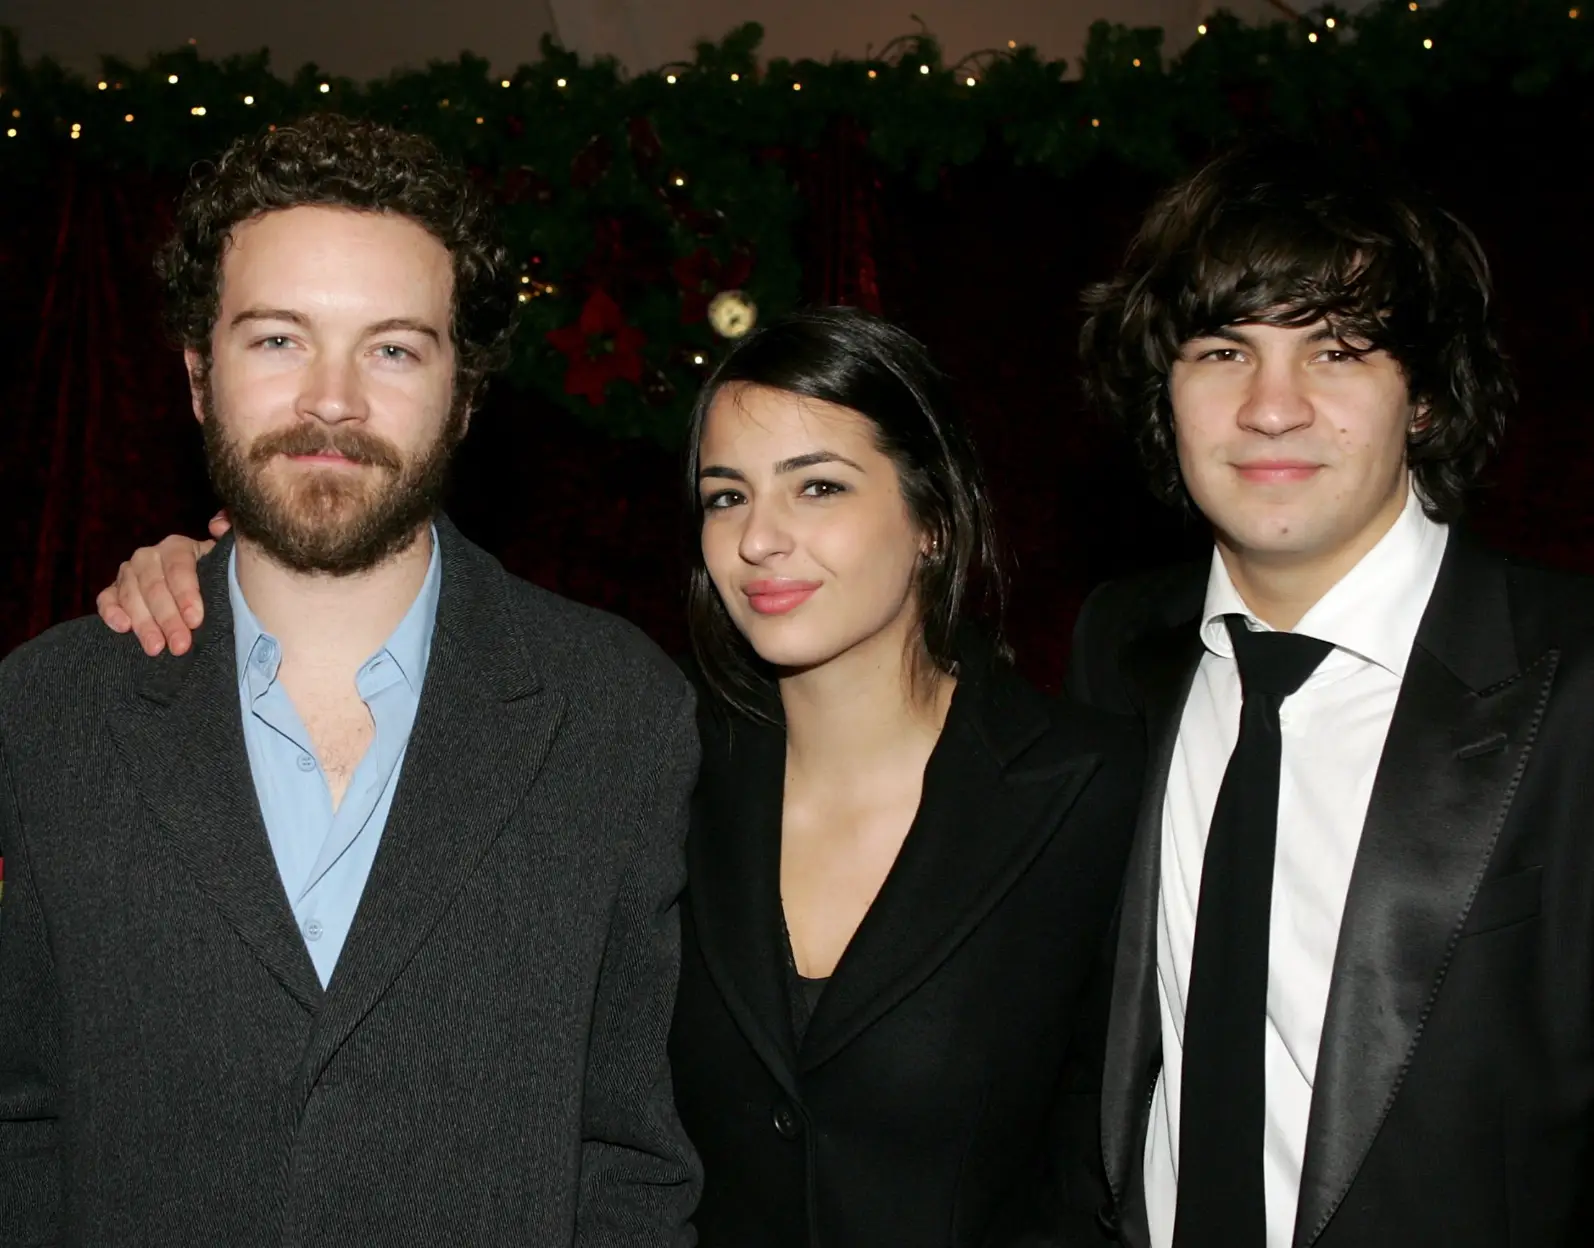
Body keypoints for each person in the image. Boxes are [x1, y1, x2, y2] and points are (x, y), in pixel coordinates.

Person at [94, 306, 1144, 1246]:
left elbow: (1117, 1168)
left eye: (817, 486)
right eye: (725, 496)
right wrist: (233, 568)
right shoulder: (642, 748)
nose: (761, 540)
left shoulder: (1092, 791)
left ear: (933, 520)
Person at [0, 115, 700, 1246]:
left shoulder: (619, 711)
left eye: (392, 348)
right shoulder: (45, 712)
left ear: (464, 392)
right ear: (196, 375)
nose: (332, 400)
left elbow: (630, 1157)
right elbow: (20, 1127)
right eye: (278, 340)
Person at [1071, 138, 1594, 1248]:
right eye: (1221, 350)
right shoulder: (1116, 647)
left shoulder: (1573, 680)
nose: (1270, 407)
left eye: (1335, 350)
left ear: (1425, 399)